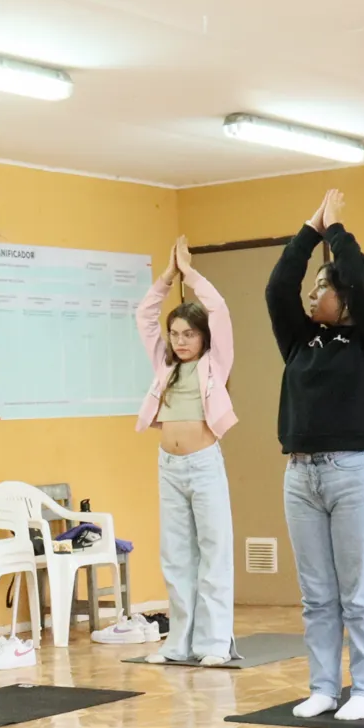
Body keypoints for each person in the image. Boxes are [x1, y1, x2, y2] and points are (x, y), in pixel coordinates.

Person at [265, 188, 364, 721]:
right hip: (301, 475)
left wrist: (338, 233)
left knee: (360, 594)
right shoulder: (299, 341)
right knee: (317, 595)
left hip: (356, 473)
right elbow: (278, 287)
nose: (312, 293)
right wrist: (310, 231)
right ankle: (323, 686)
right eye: (314, 285)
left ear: (345, 299)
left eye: (323, 287)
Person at [135, 235, 238, 665]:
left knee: (214, 551)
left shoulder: (215, 363)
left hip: (203, 464)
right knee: (176, 555)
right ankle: (179, 642)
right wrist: (166, 277)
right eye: (175, 334)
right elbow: (144, 315)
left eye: (189, 334)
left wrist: (190, 274)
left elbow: (220, 310)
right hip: (170, 466)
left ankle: (213, 644)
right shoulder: (165, 366)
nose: (180, 341)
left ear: (203, 337)